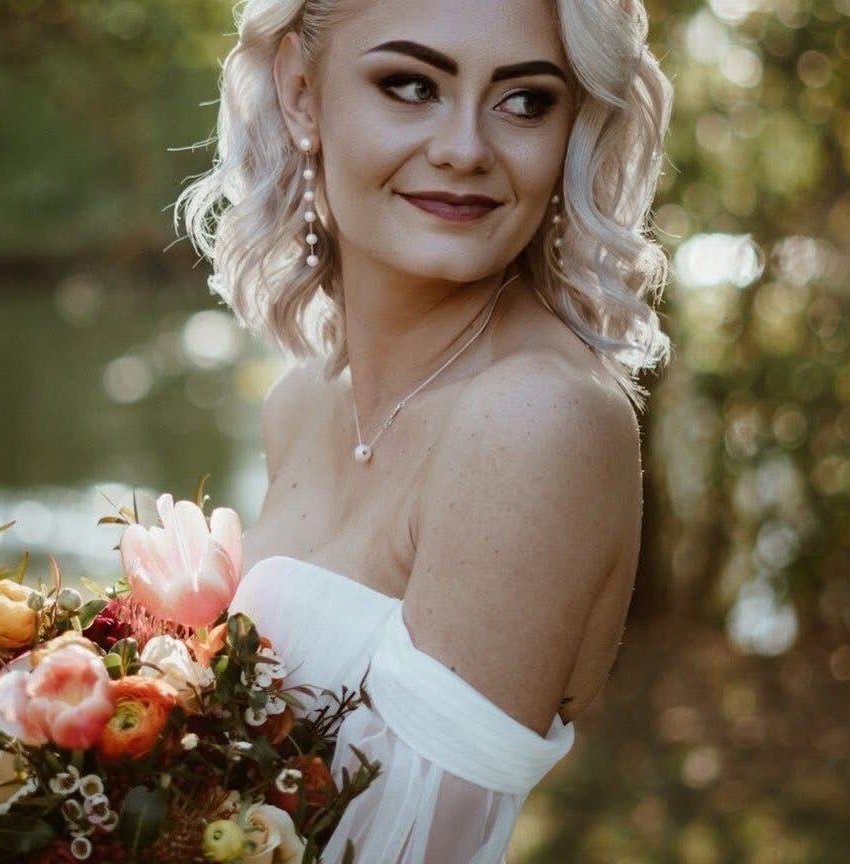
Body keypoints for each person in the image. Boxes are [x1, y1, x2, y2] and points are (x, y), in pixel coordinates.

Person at [177, 0, 672, 859]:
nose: (465, 148)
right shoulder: (303, 403)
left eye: (525, 101)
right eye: (410, 85)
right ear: (301, 92)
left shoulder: (537, 419)